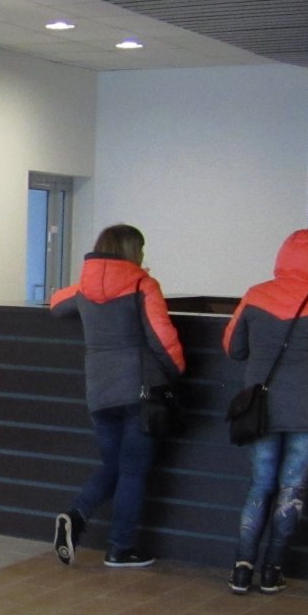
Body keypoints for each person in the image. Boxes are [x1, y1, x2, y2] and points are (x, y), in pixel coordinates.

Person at [224, 230, 308, 595]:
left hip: (261, 411)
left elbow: (233, 347)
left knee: (260, 485)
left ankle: (241, 569)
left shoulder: (256, 295)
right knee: (291, 489)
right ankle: (272, 570)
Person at [49, 224, 185, 568]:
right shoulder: (142, 285)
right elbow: (161, 337)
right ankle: (120, 549)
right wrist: (177, 371)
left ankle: (76, 515)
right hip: (139, 392)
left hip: (99, 392)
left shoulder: (85, 286)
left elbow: (56, 304)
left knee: (114, 465)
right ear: (131, 251)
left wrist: (86, 290)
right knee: (133, 471)